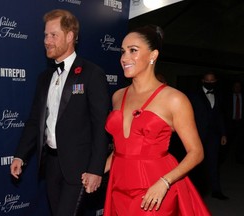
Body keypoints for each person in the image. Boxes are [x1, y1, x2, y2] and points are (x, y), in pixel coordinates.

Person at [101, 25, 211, 216]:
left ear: (153, 55)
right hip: (118, 185)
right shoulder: (118, 96)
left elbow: (197, 152)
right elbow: (121, 148)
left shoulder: (174, 99)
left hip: (154, 189)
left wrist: (165, 182)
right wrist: (96, 171)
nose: (124, 58)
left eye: (133, 50)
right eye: (123, 51)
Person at [10, 9, 110, 216]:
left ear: (70, 36)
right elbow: (35, 120)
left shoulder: (92, 74)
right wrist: (20, 155)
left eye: (53, 35)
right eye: (45, 35)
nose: (47, 40)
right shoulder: (44, 77)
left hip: (80, 169)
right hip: (52, 164)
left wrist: (95, 169)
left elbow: (101, 125)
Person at [189, 71, 228, 200]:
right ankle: (194, 192)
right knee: (196, 163)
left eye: (212, 81)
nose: (210, 83)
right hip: (198, 134)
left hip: (214, 135)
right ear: (203, 80)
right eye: (208, 80)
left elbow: (220, 115)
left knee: (213, 162)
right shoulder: (194, 95)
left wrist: (223, 134)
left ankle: (216, 190)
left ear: (215, 81)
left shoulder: (219, 95)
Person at [226, 81, 244, 164]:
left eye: (239, 86)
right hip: (230, 122)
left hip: (240, 122)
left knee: (240, 142)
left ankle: (238, 159)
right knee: (229, 141)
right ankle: (227, 159)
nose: (237, 88)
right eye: (235, 86)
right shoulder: (228, 97)